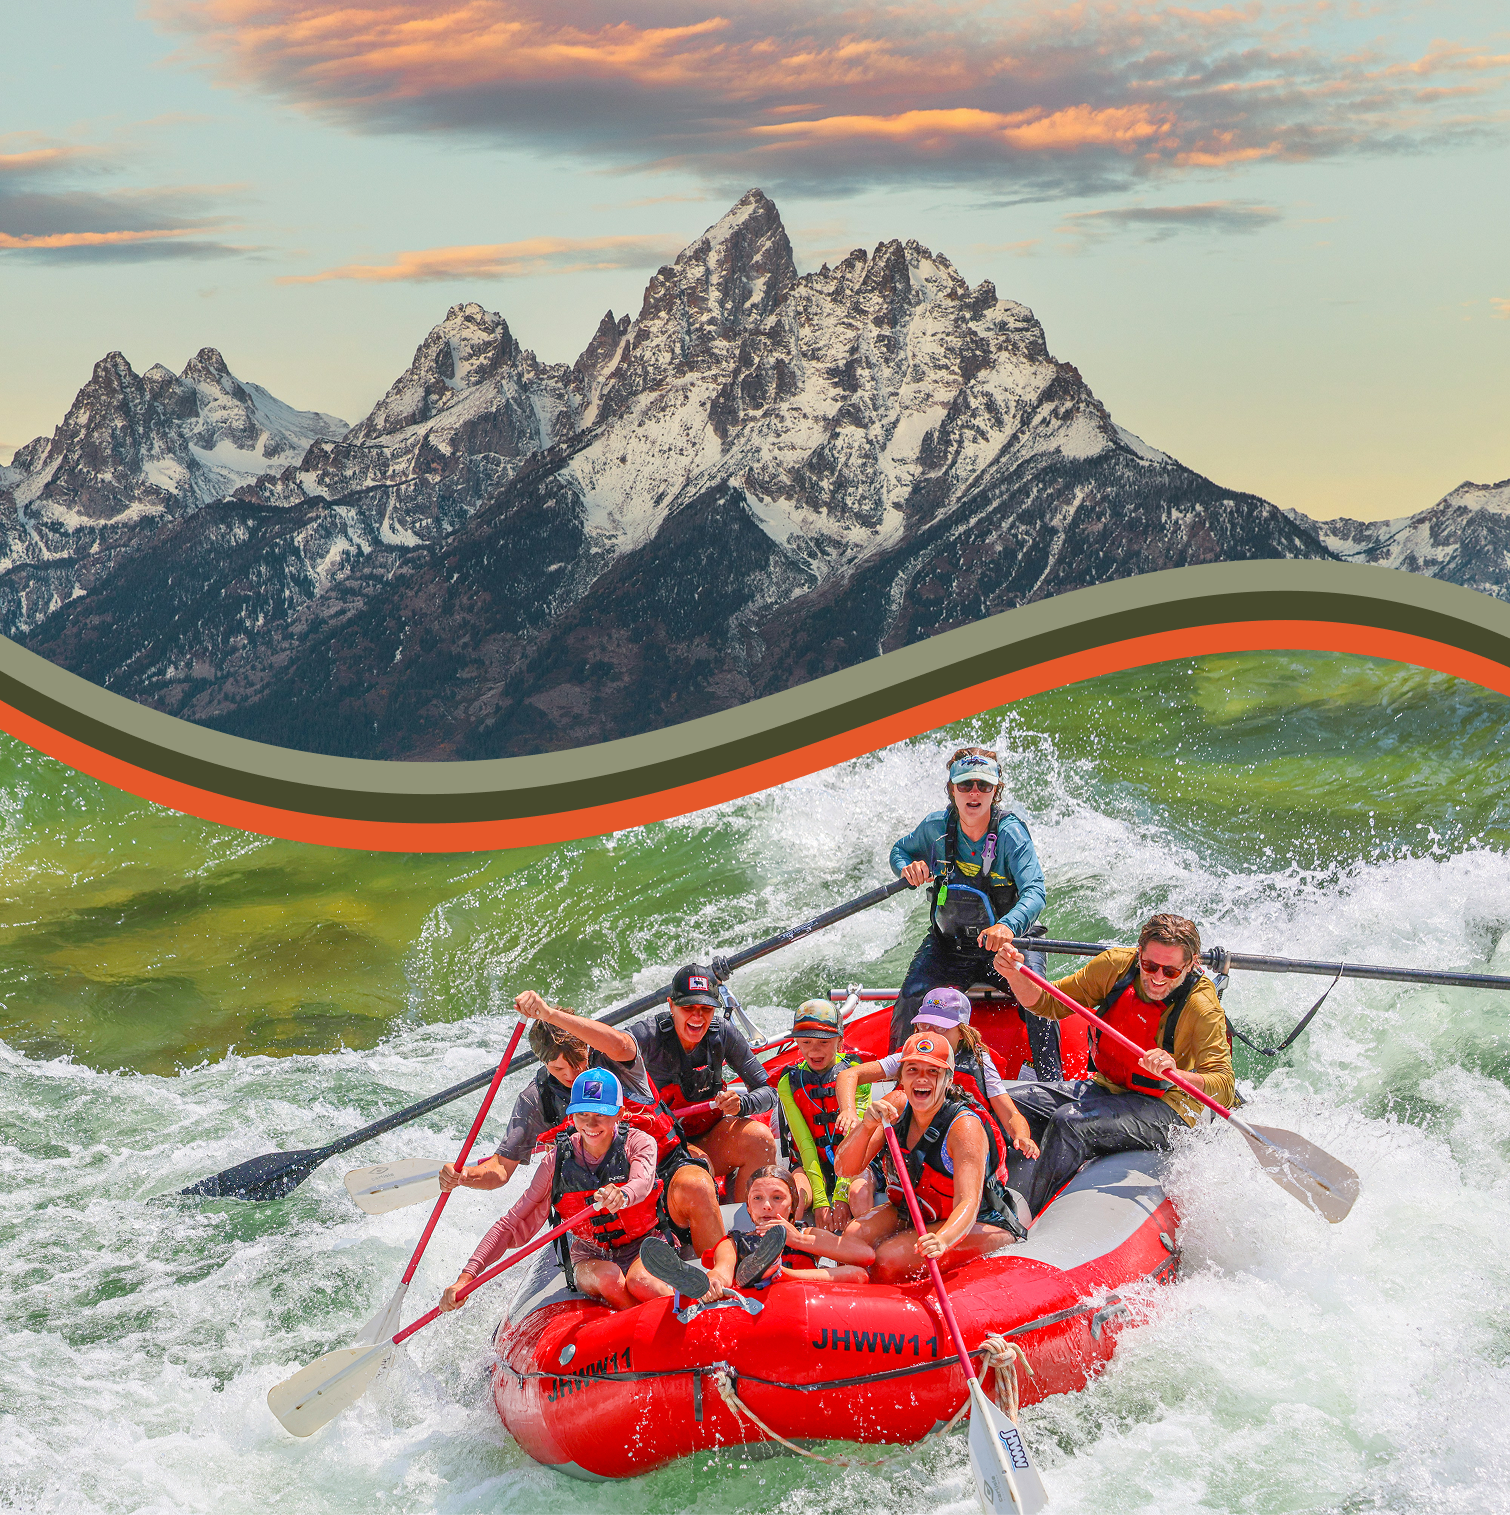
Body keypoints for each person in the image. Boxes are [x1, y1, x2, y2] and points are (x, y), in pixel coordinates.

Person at [991, 913, 1235, 1216]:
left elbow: (1223, 1086)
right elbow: (1047, 1003)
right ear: (1139, 954)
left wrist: (1177, 1073)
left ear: (1191, 964)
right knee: (1008, 1102)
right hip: (1110, 1087)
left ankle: (1025, 1219)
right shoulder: (1115, 967)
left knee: (1071, 1123)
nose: (1158, 978)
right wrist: (1016, 975)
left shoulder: (1201, 1005)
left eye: (1171, 970)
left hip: (1168, 1107)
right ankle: (979, 1196)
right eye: (1150, 966)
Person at [438, 1069, 723, 1312]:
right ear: (572, 1117)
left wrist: (622, 1195)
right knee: (611, 1278)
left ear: (619, 1114)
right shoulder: (556, 1162)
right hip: (591, 1258)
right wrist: (466, 1277)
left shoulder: (639, 1142)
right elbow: (513, 1224)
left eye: (601, 1114)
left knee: (641, 1282)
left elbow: (642, 1181)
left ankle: (688, 1305)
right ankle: (640, 1321)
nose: (591, 1124)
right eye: (582, 1114)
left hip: (647, 1245)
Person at [889, 746, 1061, 1079]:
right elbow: (900, 850)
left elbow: (1035, 892)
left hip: (1011, 945)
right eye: (965, 784)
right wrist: (906, 868)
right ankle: (899, 1080)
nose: (974, 793)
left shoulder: (1011, 834)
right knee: (912, 996)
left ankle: (1052, 1084)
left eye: (983, 785)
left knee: (1039, 1001)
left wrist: (1008, 927)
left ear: (995, 791)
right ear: (952, 789)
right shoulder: (935, 828)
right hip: (951, 945)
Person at [833, 1032, 1023, 1283]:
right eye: (913, 1069)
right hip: (914, 1212)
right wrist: (866, 1127)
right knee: (851, 1241)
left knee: (889, 1260)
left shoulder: (963, 1128)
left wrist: (943, 1239)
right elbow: (844, 1169)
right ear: (901, 1077)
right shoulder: (896, 1107)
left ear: (948, 1080)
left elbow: (968, 1203)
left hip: (978, 1221)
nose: (922, 1078)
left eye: (933, 1071)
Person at [438, 989, 650, 1191]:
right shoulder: (537, 1098)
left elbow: (622, 1045)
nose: (570, 1075)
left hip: (650, 1167)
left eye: (578, 1064)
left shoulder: (612, 1056)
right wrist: (466, 1176)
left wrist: (549, 1014)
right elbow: (501, 1168)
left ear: (586, 1049)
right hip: (597, 1189)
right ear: (542, 1063)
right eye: (557, 1068)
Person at [835, 987, 1040, 1170]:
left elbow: (1009, 1112)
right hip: (914, 1140)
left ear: (961, 1032)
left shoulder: (979, 1061)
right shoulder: (911, 1053)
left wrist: (1022, 1136)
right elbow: (849, 1074)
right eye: (925, 1025)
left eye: (941, 1028)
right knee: (897, 1099)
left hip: (959, 1140)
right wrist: (848, 1111)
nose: (931, 1033)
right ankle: (869, 1166)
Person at [631, 964, 778, 1201]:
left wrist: (743, 1104)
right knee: (699, 1165)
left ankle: (747, 1228)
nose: (698, 1017)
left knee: (760, 1138)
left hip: (710, 1136)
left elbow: (769, 1091)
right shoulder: (646, 1036)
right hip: (664, 1146)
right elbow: (600, 1065)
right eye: (688, 1007)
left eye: (706, 1008)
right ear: (671, 1005)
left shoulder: (723, 1033)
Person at [775, 999, 877, 1230]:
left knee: (857, 1196)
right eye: (806, 1042)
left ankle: (868, 1250)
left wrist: (840, 1195)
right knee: (794, 1197)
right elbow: (804, 1143)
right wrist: (820, 1201)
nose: (813, 1050)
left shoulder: (854, 1073)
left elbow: (855, 1138)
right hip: (812, 1163)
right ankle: (794, 1257)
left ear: (840, 1041)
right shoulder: (788, 1083)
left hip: (857, 1159)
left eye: (823, 1042)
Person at [735, 1165, 874, 1285]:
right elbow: (721, 1273)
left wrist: (797, 1240)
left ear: (792, 1206)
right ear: (748, 1207)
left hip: (806, 1298)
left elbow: (866, 1257)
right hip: (765, 1306)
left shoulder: (805, 1235)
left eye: (777, 1198)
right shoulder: (736, 1243)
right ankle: (775, 1272)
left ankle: (780, 1273)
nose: (766, 1206)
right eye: (757, 1198)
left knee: (859, 1274)